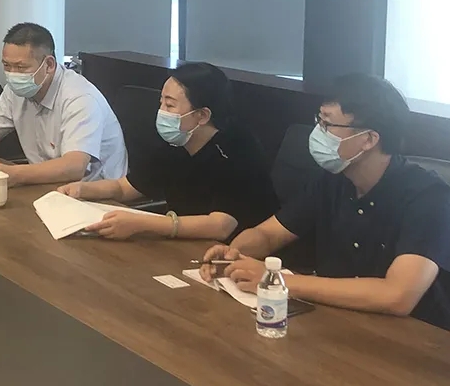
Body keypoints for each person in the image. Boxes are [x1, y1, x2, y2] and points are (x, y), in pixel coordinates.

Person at [201, 74, 450, 330]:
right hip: (337, 320)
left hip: (412, 336)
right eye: (318, 121)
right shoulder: (333, 179)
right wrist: (234, 254)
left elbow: (397, 296)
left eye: (328, 124)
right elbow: (269, 234)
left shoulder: (428, 197)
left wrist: (278, 281)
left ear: (368, 139)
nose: (318, 132)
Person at [58, 62, 278, 241]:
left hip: (235, 254)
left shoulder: (237, 149)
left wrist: (142, 223)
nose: (161, 112)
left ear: (202, 115)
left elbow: (220, 226)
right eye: (161, 102)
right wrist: (82, 189)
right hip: (184, 243)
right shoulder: (176, 140)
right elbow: (125, 188)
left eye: (170, 106)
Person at [0, 22, 127, 187]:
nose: (12, 74)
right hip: (46, 184)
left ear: (49, 64)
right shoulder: (15, 91)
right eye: (7, 65)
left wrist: (15, 174)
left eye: (21, 67)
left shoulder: (80, 98)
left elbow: (74, 167)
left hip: (95, 194)